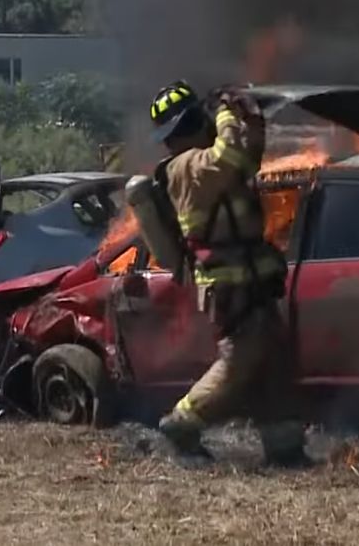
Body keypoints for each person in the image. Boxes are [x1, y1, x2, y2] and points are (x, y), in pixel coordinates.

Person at [147, 80, 310, 468]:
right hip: (228, 283)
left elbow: (248, 156)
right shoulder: (187, 167)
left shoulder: (204, 162)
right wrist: (223, 111)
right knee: (243, 355)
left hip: (247, 278)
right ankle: (181, 422)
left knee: (270, 360)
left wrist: (251, 117)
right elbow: (232, 156)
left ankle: (284, 445)